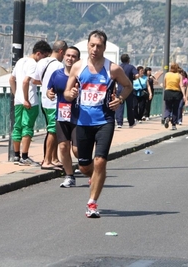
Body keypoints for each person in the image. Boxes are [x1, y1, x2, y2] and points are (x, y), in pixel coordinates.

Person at [64, 30, 133, 218]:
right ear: (87, 45)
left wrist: (119, 99)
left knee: (100, 160)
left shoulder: (113, 69)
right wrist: (70, 95)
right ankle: (96, 176)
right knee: (85, 166)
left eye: (99, 46)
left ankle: (92, 203)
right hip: (83, 121)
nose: (95, 49)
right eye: (92, 45)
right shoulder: (78, 67)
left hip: (105, 120)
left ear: (104, 47)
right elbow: (67, 92)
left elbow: (128, 86)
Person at [9, 40, 52, 166]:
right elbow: (26, 81)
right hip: (30, 100)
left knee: (17, 126)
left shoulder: (21, 61)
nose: (44, 60)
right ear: (38, 54)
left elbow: (12, 79)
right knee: (27, 127)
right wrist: (26, 98)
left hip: (18, 100)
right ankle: (25, 156)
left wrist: (17, 94)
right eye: (44, 57)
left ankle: (16, 156)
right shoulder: (34, 64)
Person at [47, 46, 81, 187]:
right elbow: (50, 90)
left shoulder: (82, 75)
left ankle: (87, 165)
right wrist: (50, 94)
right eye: (68, 55)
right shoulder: (56, 74)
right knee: (62, 147)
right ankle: (69, 176)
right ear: (63, 56)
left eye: (73, 56)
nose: (70, 58)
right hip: (61, 115)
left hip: (79, 116)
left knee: (76, 149)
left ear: (78, 59)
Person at [34, 40, 68, 170]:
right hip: (54, 101)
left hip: (44, 100)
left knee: (52, 129)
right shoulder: (59, 66)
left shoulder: (42, 62)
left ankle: (54, 158)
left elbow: (35, 79)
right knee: (53, 131)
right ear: (61, 51)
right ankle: (47, 160)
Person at [115, 54, 139, 128]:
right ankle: (131, 122)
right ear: (128, 59)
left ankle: (119, 122)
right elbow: (137, 75)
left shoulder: (118, 67)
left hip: (119, 89)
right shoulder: (131, 67)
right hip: (128, 89)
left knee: (119, 106)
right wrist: (133, 78)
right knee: (130, 106)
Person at [163, 63, 186, 130]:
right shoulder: (179, 75)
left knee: (168, 107)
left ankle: (167, 117)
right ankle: (173, 124)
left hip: (168, 92)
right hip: (176, 93)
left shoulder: (167, 74)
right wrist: (184, 95)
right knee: (175, 109)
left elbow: (164, 85)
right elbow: (181, 85)